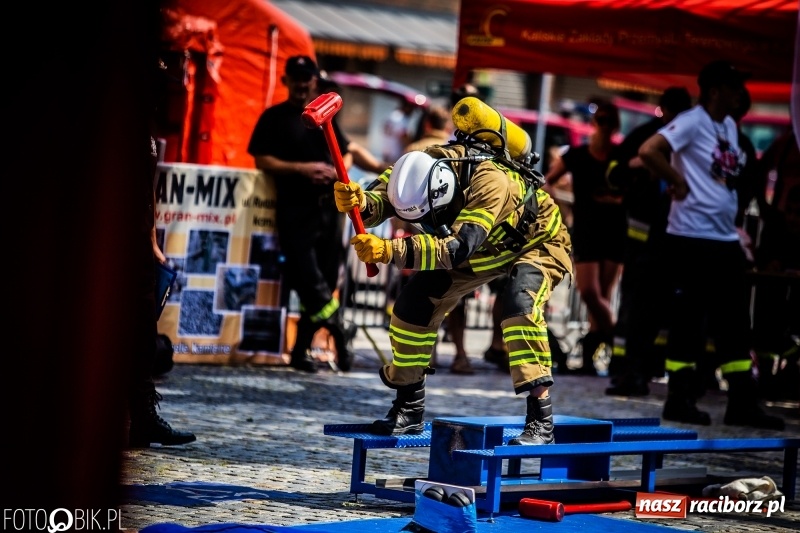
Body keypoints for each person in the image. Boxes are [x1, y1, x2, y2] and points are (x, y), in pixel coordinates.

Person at [332, 104, 573, 443]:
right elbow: (380, 201)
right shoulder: (417, 165)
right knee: (413, 305)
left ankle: (541, 420)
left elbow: (457, 248)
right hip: (484, 245)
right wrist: (360, 202)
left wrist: (390, 250)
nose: (427, 224)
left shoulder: (491, 182)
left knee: (519, 307)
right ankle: (409, 408)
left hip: (535, 241)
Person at [638, 60, 784, 429]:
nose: (740, 93)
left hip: (723, 238)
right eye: (734, 86)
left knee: (734, 321)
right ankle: (679, 399)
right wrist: (677, 180)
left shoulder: (729, 126)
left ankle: (742, 402)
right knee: (689, 320)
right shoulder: (692, 121)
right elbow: (649, 150)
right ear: (715, 91)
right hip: (690, 238)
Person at [247, 55, 354, 373]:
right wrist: (303, 169)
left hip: (329, 210)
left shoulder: (323, 114)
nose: (301, 84)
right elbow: (262, 159)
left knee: (326, 277)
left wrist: (336, 171)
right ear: (286, 81)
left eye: (306, 79)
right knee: (308, 278)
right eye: (295, 78)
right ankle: (338, 328)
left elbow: (345, 152)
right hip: (295, 209)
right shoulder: (274, 117)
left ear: (313, 81)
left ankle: (300, 351)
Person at [604, 87, 693, 396]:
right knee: (636, 303)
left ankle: (650, 366)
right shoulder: (646, 136)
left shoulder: (690, 139)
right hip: (642, 240)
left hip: (677, 236)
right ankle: (626, 367)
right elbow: (613, 173)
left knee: (665, 306)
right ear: (663, 109)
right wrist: (636, 166)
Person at [128, 58, 197, 448]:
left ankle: (143, 418)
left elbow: (148, 190)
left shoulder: (146, 128)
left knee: (141, 335)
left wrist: (153, 240)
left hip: (139, 246)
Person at [544, 102, 625, 375]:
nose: (604, 125)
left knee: (603, 295)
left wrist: (617, 199)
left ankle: (591, 355)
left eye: (609, 120)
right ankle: (619, 345)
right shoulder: (577, 155)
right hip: (587, 230)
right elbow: (548, 180)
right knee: (589, 292)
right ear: (593, 123)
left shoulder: (621, 155)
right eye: (600, 119)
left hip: (615, 232)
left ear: (616, 125)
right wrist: (557, 206)